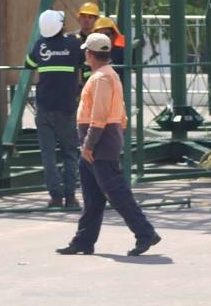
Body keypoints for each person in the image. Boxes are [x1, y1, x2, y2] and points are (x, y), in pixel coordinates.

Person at [56, 32, 161, 257]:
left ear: (89, 54)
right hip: (101, 140)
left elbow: (100, 116)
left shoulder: (101, 78)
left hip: (99, 142)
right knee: (93, 196)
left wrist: (89, 145)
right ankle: (83, 241)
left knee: (116, 191)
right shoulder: (106, 74)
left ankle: (145, 233)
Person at [25, 9, 83, 208]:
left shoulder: (40, 45)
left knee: (48, 154)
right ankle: (70, 197)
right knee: (70, 152)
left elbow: (28, 63)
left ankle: (55, 196)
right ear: (61, 26)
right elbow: (86, 63)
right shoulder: (74, 44)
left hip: (44, 108)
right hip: (66, 108)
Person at [71, 2, 100, 85]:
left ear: (96, 20)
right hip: (75, 83)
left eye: (90, 17)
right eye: (83, 16)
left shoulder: (101, 39)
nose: (86, 20)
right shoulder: (72, 38)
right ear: (79, 18)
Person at [92, 16, 127, 81]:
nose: (103, 38)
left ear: (114, 36)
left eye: (107, 34)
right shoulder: (90, 54)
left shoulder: (121, 53)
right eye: (99, 34)